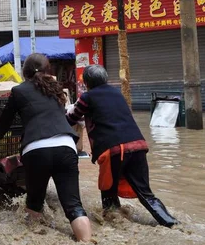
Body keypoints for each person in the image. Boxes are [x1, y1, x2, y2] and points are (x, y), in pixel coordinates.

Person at [66, 65, 179, 228]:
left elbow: (71, 118)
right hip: (138, 145)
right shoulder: (117, 93)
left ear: (87, 82)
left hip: (114, 149)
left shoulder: (87, 97)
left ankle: (115, 227)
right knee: (146, 193)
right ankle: (171, 222)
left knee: (108, 191)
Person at [0, 54, 92, 242]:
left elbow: (2, 127)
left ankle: (34, 243)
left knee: (34, 202)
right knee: (73, 205)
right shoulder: (56, 89)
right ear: (49, 71)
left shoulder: (18, 91)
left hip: (36, 149)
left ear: (25, 72)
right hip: (66, 146)